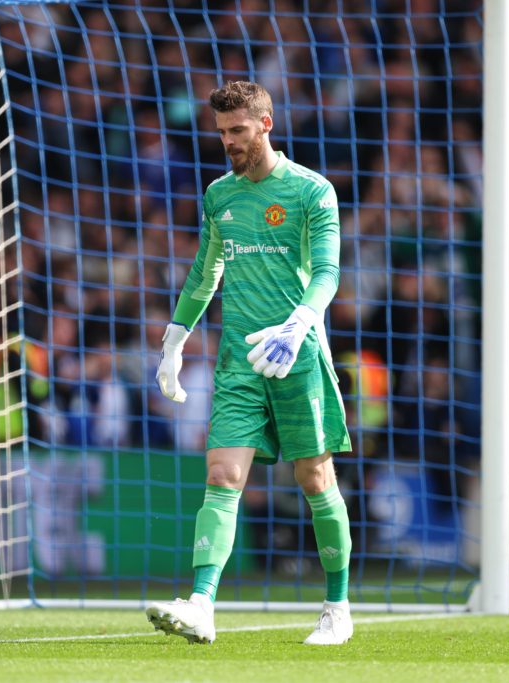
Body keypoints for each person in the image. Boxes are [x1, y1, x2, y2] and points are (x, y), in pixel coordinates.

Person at [146, 81, 353, 646]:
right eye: (221, 132)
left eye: (237, 130)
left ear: (266, 124)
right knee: (222, 475)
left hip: (297, 357)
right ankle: (201, 604)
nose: (229, 142)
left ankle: (337, 608)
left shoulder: (312, 191)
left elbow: (328, 272)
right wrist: (174, 340)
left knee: (314, 478)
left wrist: (298, 324)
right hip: (239, 361)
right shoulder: (220, 195)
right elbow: (205, 271)